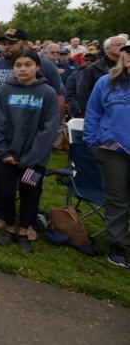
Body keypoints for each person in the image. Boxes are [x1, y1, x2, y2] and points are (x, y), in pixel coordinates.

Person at [0, 28, 64, 238]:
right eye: (4, 43)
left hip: (34, 147)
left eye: (11, 43)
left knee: (30, 187)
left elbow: (57, 104)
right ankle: (4, 218)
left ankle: (27, 223)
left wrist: (43, 146)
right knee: (1, 184)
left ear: (25, 44)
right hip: (2, 142)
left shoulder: (47, 71)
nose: (6, 46)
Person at [0, 50, 60, 253]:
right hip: (7, 157)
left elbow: (49, 128)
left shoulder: (47, 93)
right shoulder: (2, 91)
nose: (23, 69)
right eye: (18, 65)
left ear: (37, 67)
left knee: (30, 194)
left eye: (28, 64)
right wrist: (3, 152)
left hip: (34, 160)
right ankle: (10, 229)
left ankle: (24, 231)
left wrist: (31, 157)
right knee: (7, 194)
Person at [83, 40, 130, 267]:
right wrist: (93, 143)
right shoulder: (107, 82)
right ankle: (117, 244)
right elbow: (92, 114)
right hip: (112, 149)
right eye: (127, 52)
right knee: (117, 198)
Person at [77, 35, 126, 114]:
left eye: (124, 44)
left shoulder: (127, 67)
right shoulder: (92, 69)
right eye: (118, 44)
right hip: (103, 114)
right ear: (107, 49)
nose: (122, 47)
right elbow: (83, 96)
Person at [65, 46, 99, 117]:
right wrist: (77, 106)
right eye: (86, 60)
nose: (89, 62)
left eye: (92, 60)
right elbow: (69, 92)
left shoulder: (102, 74)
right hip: (81, 111)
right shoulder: (74, 75)